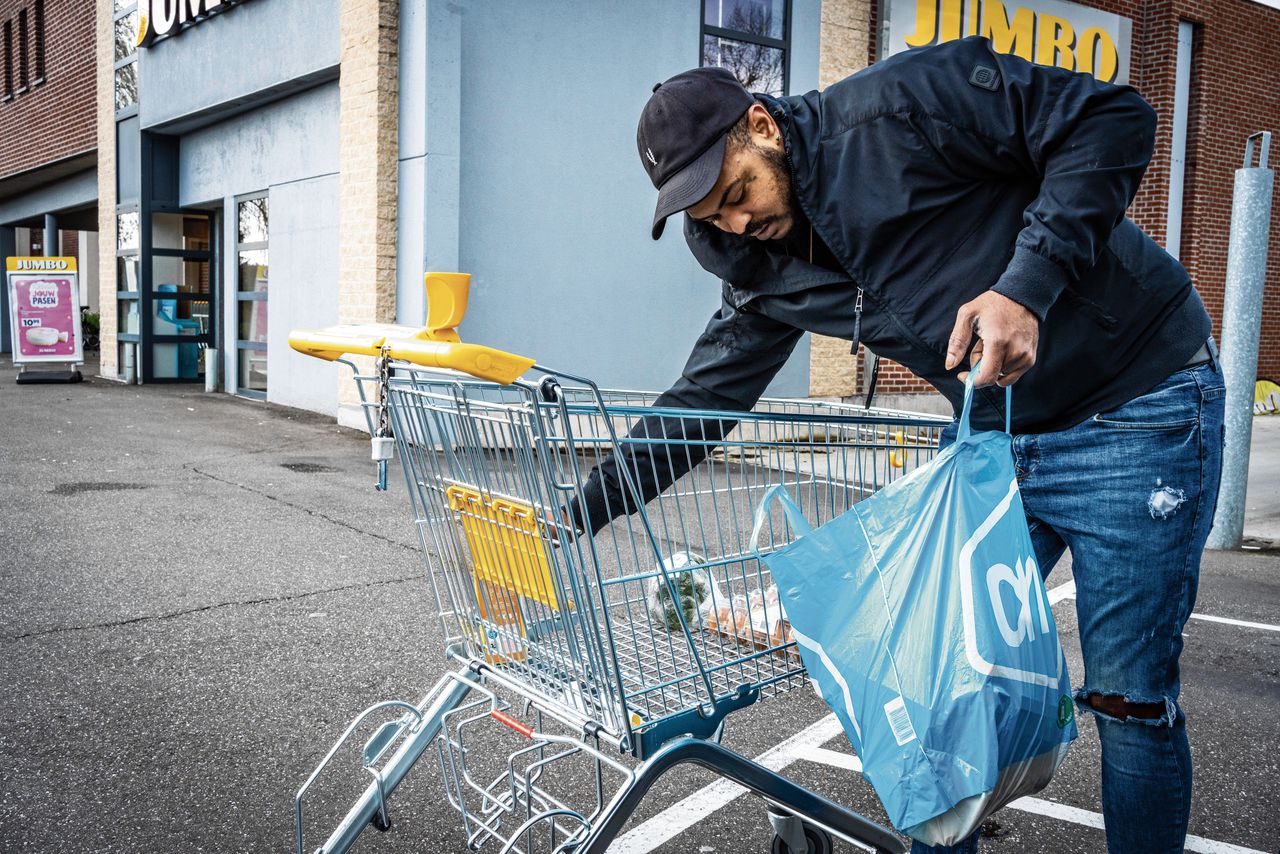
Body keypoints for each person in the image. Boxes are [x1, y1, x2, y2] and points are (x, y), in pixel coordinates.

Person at [568, 35, 1224, 854]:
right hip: (997, 439)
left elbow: (1112, 120)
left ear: (763, 126)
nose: (739, 221)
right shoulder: (756, 260)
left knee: (1128, 698)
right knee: (940, 680)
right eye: (713, 215)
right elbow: (704, 397)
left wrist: (1027, 286)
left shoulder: (903, 105)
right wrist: (580, 511)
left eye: (737, 191)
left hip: (1136, 404)